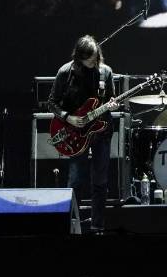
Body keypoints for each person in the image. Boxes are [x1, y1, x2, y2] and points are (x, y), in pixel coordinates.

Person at [46, 35, 119, 232]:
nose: (92, 62)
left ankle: (98, 225)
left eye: (95, 58)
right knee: (75, 179)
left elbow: (110, 100)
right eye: (88, 59)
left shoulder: (106, 72)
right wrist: (68, 117)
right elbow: (51, 103)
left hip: (101, 131)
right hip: (74, 132)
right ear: (79, 57)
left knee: (100, 180)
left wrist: (112, 105)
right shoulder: (65, 72)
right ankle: (73, 225)